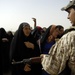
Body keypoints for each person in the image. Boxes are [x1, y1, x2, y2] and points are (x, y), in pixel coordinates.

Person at [41, 0, 75, 75]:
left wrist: (44, 58)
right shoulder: (42, 41)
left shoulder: (69, 37)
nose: (68, 17)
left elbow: (53, 68)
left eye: (69, 12)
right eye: (55, 31)